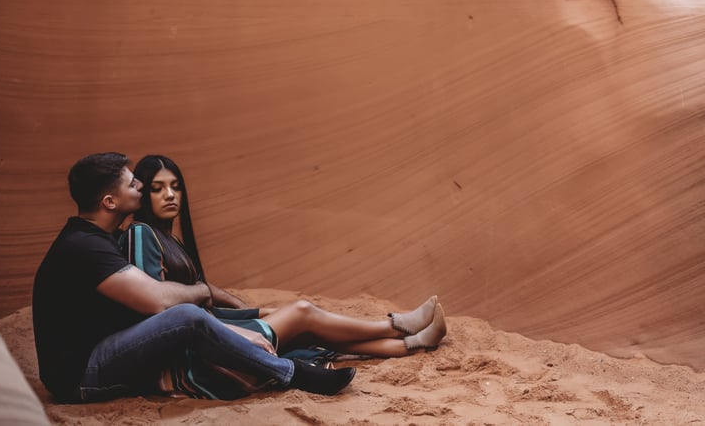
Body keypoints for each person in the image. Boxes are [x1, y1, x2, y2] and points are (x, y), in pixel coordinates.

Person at [32, 152, 356, 403]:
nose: (141, 187)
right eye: (133, 184)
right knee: (185, 316)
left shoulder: (94, 238)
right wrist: (200, 290)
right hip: (80, 376)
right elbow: (156, 300)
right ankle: (291, 373)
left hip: (99, 354)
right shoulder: (85, 246)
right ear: (109, 201)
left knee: (190, 317)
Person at [122, 155, 446, 394]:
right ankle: (396, 325)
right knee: (304, 312)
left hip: (207, 340)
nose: (170, 195)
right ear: (142, 195)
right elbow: (162, 312)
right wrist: (241, 321)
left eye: (176, 187)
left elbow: (202, 308)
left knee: (310, 332)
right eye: (157, 188)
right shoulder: (141, 233)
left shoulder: (169, 239)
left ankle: (412, 342)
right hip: (190, 362)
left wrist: (254, 312)